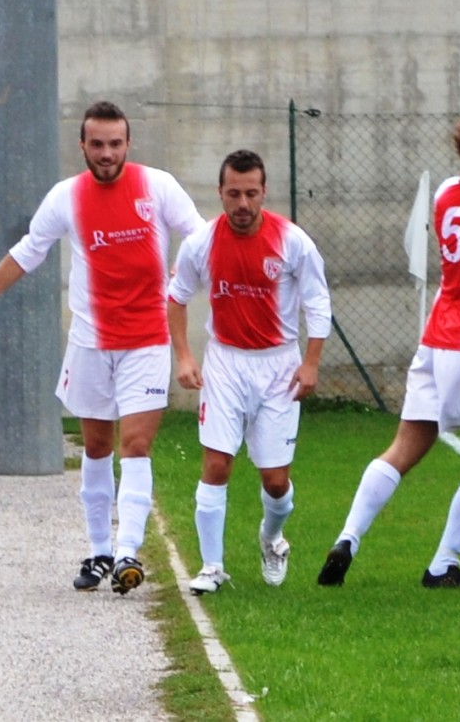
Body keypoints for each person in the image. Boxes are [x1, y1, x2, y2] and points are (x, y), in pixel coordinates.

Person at [0, 100, 206, 595]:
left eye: (115, 143)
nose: (107, 153)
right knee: (96, 446)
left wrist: (182, 274)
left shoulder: (158, 186)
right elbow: (28, 252)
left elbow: (199, 239)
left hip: (147, 341)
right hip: (91, 343)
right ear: (82, 145)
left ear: (128, 144)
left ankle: (129, 552)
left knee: (137, 445)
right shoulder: (66, 197)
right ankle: (99, 551)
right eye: (97, 144)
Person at [317, 107, 460, 588]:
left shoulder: (449, 191)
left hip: (435, 336)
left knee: (404, 447)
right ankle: (443, 564)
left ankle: (348, 536)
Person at [167, 149, 332, 595]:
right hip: (225, 362)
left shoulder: (292, 240)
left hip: (279, 366)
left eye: (251, 194)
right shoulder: (201, 243)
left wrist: (311, 362)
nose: (243, 204)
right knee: (217, 464)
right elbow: (177, 297)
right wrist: (183, 356)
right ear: (220, 193)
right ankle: (211, 567)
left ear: (264, 193)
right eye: (234, 194)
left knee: (275, 481)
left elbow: (318, 302)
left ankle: (272, 538)